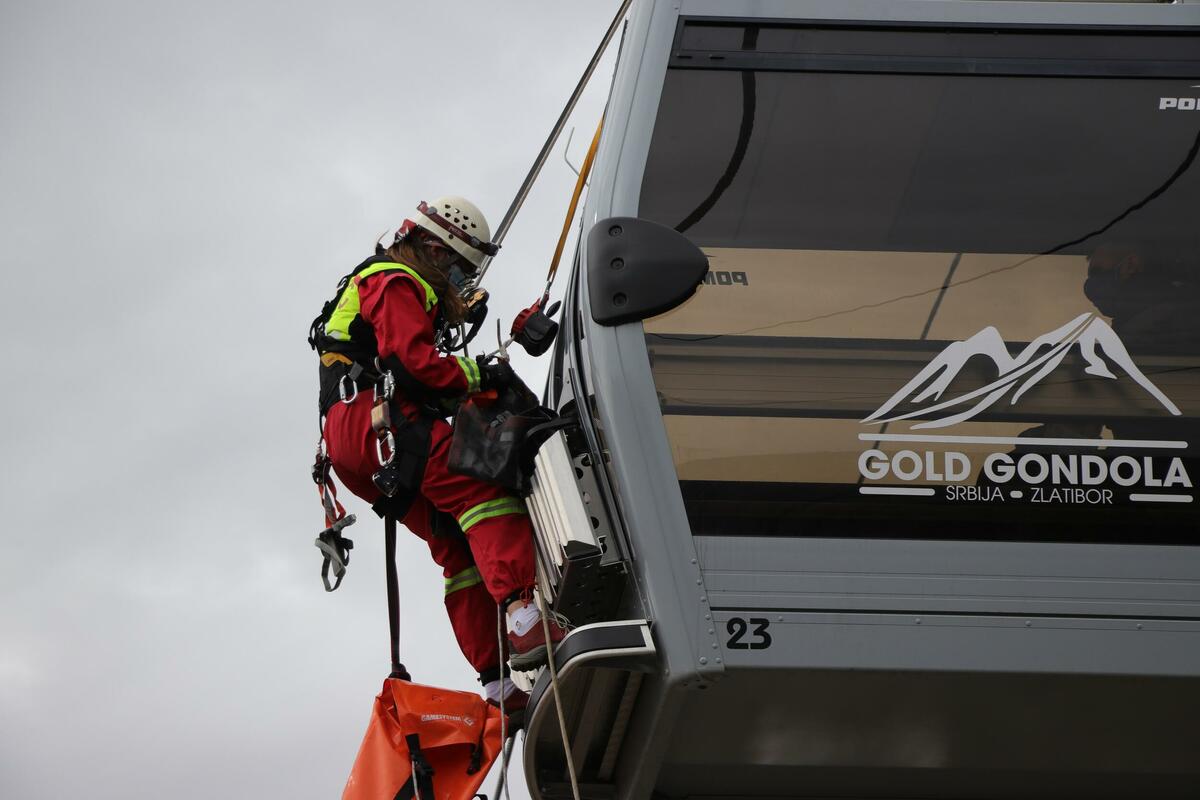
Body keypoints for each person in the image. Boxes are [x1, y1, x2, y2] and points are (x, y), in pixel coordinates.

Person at [311, 196, 567, 716]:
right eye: (459, 267)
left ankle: (498, 687)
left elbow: (412, 368)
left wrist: (486, 360)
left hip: (355, 441)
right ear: (433, 248)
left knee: (453, 539)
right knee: (484, 488)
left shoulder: (382, 286)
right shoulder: (395, 280)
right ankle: (523, 617)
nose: (459, 280)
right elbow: (415, 366)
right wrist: (482, 374)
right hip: (380, 422)